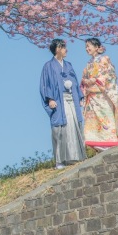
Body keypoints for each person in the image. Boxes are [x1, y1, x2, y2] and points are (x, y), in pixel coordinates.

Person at [39, 39, 87, 169]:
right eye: (64, 47)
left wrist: (80, 97)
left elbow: (75, 82)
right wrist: (50, 99)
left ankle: (76, 156)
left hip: (72, 99)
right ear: (57, 49)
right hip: (59, 101)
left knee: (74, 125)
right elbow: (46, 84)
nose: (66, 50)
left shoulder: (69, 65)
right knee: (59, 129)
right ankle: (60, 160)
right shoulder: (48, 66)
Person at [80, 38, 118, 151]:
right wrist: (86, 82)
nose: (87, 49)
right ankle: (98, 143)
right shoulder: (88, 63)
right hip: (92, 96)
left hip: (102, 94)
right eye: (86, 47)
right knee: (93, 121)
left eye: (89, 46)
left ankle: (110, 142)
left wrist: (95, 80)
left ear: (97, 47)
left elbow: (110, 75)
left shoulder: (104, 59)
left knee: (106, 118)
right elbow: (84, 79)